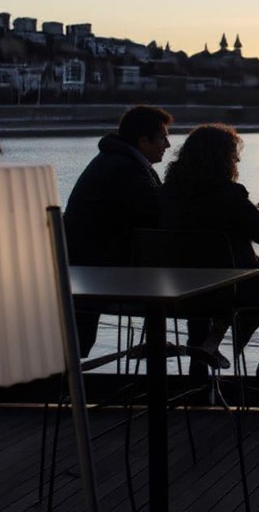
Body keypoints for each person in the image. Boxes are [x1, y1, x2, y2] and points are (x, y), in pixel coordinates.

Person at [160, 123, 259, 379]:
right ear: (223, 159)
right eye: (233, 155)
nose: (237, 160)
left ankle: (200, 362)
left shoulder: (167, 193)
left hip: (177, 289)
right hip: (227, 288)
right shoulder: (230, 194)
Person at [65, 105, 173, 356]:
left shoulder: (117, 162)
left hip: (85, 269)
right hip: (101, 274)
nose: (167, 145)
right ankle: (192, 360)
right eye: (163, 137)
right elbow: (160, 212)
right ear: (143, 141)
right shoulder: (126, 169)